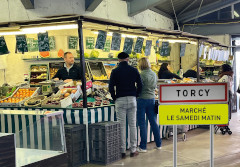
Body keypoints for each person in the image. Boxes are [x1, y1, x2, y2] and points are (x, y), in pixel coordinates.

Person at [109, 52, 142, 158]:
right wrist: (135, 95)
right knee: (132, 125)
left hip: (120, 100)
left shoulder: (115, 71)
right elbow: (140, 85)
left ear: (118, 60)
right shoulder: (134, 70)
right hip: (132, 99)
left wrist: (115, 98)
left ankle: (122, 151)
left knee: (121, 126)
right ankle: (133, 150)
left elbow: (110, 87)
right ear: (127, 59)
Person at [137, 57, 162, 153]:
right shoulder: (154, 74)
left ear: (141, 65)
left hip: (141, 99)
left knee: (142, 123)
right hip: (151, 99)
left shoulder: (141, 75)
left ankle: (143, 147)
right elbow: (155, 86)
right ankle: (159, 144)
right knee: (153, 122)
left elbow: (138, 88)